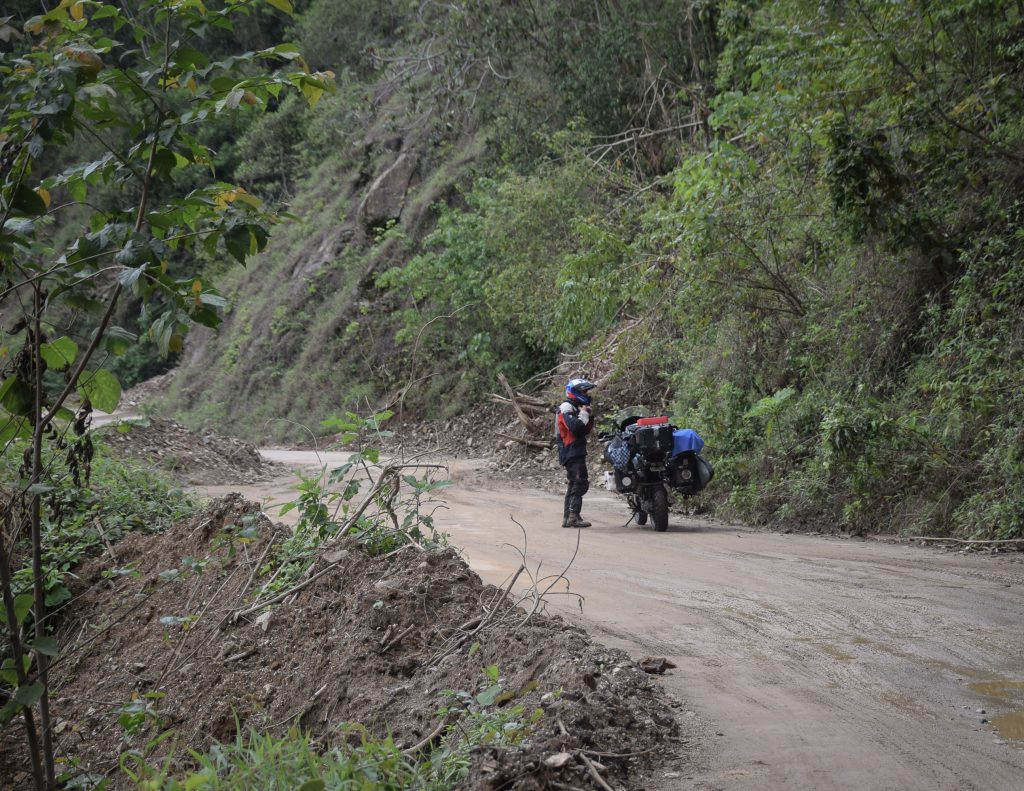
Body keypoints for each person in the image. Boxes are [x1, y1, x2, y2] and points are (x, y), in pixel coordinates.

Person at [555, 378, 596, 528]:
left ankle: (568, 518)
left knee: (574, 483)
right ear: (576, 392)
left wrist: (588, 415)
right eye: (584, 391)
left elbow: (584, 430)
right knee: (580, 483)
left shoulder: (574, 407)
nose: (586, 394)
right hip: (570, 450)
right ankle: (573, 516)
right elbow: (576, 428)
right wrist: (584, 414)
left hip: (574, 450)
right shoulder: (566, 407)